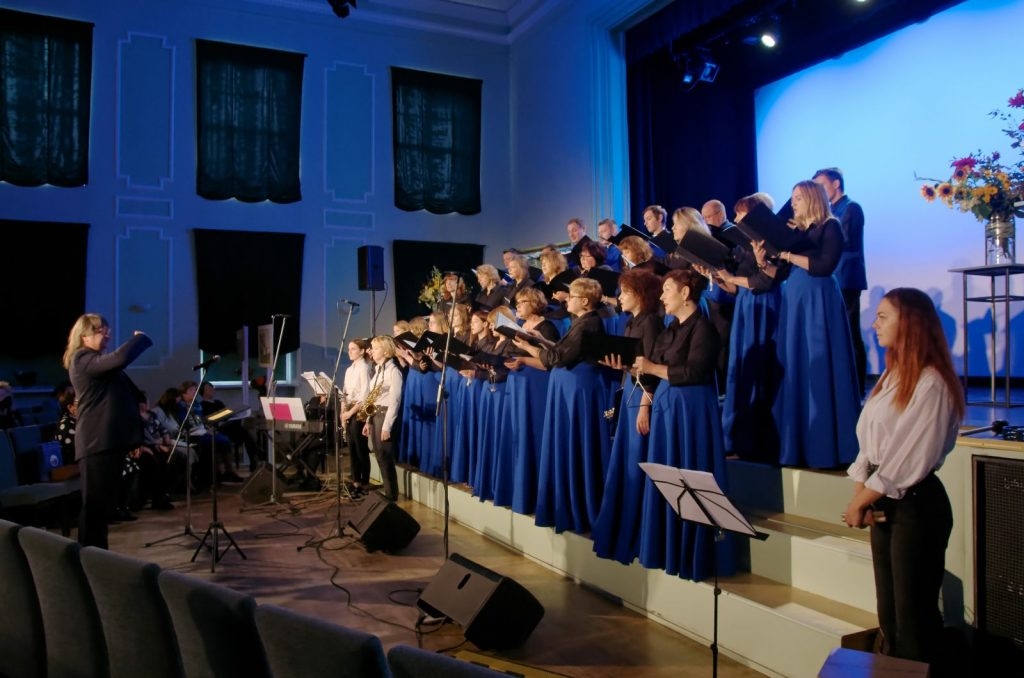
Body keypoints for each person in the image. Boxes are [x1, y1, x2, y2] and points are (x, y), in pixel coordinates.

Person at [843, 287, 964, 669]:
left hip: (916, 506)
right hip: (884, 501)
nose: (873, 324)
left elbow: (909, 456)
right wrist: (861, 492)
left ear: (908, 322)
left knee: (914, 619)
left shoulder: (933, 383)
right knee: (890, 616)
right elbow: (870, 445)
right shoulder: (891, 377)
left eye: (882, 316)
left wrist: (860, 502)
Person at [634, 270, 735, 582]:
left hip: (691, 411)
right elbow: (652, 368)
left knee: (690, 470)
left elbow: (693, 372)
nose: (662, 296)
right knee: (667, 474)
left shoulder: (704, 328)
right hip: (667, 407)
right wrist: (645, 401)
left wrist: (652, 368)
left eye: (667, 290)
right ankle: (668, 546)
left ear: (686, 293)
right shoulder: (669, 328)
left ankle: (694, 552)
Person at [763, 180, 861, 468]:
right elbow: (779, 274)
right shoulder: (798, 231)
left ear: (813, 198)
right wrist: (764, 261)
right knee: (794, 365)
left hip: (819, 300)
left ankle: (827, 445)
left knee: (819, 365)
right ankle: (795, 444)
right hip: (795, 298)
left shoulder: (831, 226)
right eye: (792, 198)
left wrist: (789, 255)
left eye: (798, 198)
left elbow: (825, 265)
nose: (793, 204)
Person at [510, 277, 616, 535]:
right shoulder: (580, 323)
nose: (567, 299)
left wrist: (528, 348)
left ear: (585, 301)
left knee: (576, 444)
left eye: (572, 295)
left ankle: (577, 506)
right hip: (570, 389)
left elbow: (557, 359)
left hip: (577, 392)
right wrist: (543, 342)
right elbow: (562, 350)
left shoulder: (588, 324)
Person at [591, 268, 664, 564]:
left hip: (640, 399)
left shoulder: (650, 323)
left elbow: (651, 367)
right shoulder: (631, 322)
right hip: (629, 391)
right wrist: (618, 365)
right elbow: (634, 365)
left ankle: (635, 532)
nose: (619, 297)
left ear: (640, 295)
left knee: (635, 464)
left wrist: (646, 404)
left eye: (625, 292)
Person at [63, 313, 152, 548]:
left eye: (107, 330)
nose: (107, 335)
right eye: (101, 331)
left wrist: (139, 399)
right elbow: (120, 358)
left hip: (107, 442)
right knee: (94, 507)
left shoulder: (96, 362)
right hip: (96, 442)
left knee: (102, 506)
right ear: (84, 336)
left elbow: (121, 383)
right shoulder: (82, 359)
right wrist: (140, 338)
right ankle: (89, 558)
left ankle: (97, 556)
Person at [814, 167, 868, 397]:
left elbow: (844, 241)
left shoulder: (851, 208)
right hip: (831, 278)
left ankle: (857, 388)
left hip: (846, 278)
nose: (820, 192)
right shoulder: (830, 211)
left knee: (850, 332)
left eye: (822, 186)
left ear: (836, 184)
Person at [363, 335, 403, 501]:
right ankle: (388, 493)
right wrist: (368, 420)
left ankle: (392, 495)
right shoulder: (378, 370)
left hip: (386, 415)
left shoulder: (393, 371)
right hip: (376, 415)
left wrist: (387, 426)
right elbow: (373, 397)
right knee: (378, 454)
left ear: (386, 351)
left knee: (385, 456)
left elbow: (395, 400)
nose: (372, 351)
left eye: (376, 348)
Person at [341, 338, 374, 497]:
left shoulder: (364, 368)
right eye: (349, 349)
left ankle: (365, 483)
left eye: (353, 349)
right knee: (352, 448)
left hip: (358, 412)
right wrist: (343, 412)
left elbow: (365, 395)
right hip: (349, 410)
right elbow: (345, 392)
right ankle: (355, 482)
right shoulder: (349, 370)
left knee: (361, 449)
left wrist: (350, 412)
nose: (350, 351)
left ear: (362, 351)